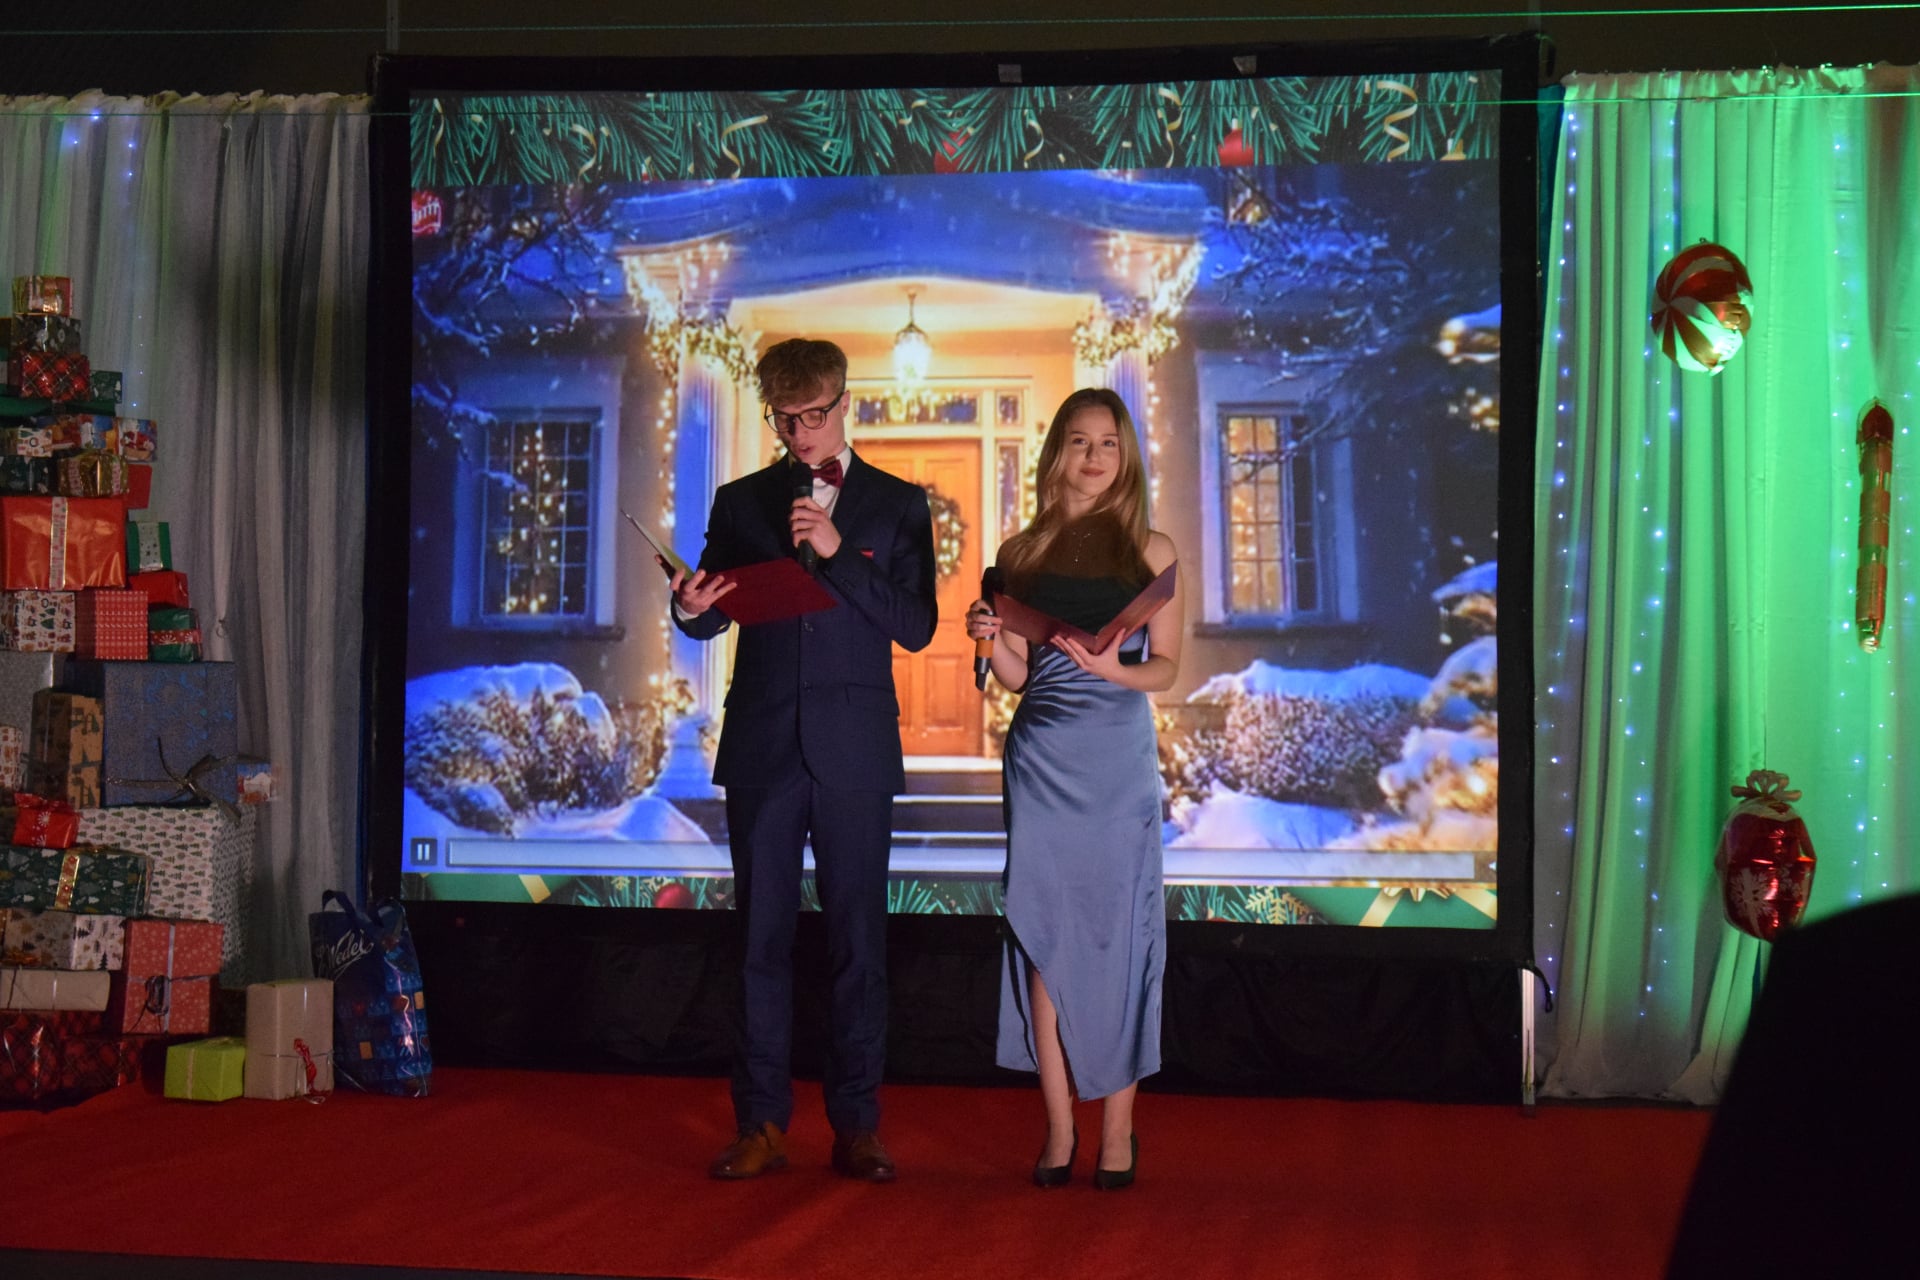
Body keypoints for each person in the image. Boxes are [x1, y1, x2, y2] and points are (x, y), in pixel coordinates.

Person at [670, 337, 938, 1183]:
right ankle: (761, 1124)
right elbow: (714, 611)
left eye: (813, 415)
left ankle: (857, 1126)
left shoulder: (898, 504)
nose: (799, 433)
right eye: (784, 419)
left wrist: (836, 551)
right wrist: (691, 608)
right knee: (760, 941)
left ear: (844, 401)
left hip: (855, 748)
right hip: (764, 745)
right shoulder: (740, 500)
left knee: (859, 943)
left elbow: (917, 626)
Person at [964, 387, 1182, 1190]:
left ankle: (1117, 1133)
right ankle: (1060, 1129)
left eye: (1109, 443)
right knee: (1046, 939)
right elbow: (1018, 677)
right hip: (1043, 760)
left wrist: (1112, 669)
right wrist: (989, 640)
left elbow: (1168, 668)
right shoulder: (1019, 553)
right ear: (1057, 451)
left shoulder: (1151, 548)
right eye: (1081, 442)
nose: (1094, 457)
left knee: (1120, 940)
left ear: (1126, 458)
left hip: (1117, 760)